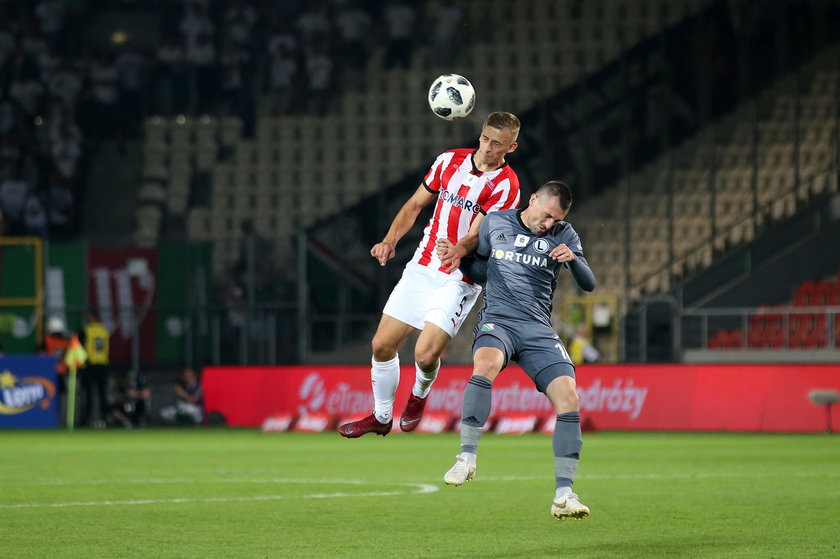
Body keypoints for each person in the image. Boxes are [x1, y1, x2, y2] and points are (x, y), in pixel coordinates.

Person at [338, 112, 523, 438]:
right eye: (485, 139)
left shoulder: (508, 185)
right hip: (422, 267)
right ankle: (381, 417)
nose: (488, 147)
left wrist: (460, 249)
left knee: (425, 354)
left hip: (459, 276)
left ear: (511, 147)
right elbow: (413, 205)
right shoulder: (449, 161)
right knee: (381, 345)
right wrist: (389, 241)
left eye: (497, 144)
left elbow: (480, 232)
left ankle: (418, 397)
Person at [437, 180, 596, 520]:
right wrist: (456, 258)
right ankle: (466, 458)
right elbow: (479, 267)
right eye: (546, 215)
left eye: (556, 219)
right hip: (500, 321)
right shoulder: (496, 222)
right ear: (533, 199)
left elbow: (589, 283)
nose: (548, 224)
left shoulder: (565, 235)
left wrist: (574, 261)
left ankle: (564, 495)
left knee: (570, 398)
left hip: (538, 330)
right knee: (485, 365)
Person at [80, 311, 110, 428]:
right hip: (103, 364)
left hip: (90, 364)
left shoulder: (86, 330)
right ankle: (105, 418)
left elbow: (81, 347)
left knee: (88, 394)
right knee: (103, 394)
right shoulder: (104, 331)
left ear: (92, 317)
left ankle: (86, 419)